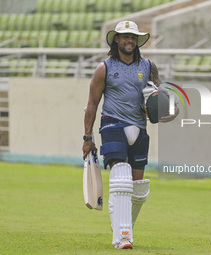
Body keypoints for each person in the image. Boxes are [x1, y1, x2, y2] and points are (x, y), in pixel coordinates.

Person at [82, 20, 178, 249]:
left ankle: (121, 225)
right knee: (121, 176)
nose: (129, 40)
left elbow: (158, 98)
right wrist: (88, 138)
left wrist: (163, 107)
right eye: (125, 36)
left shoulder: (148, 66)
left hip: (139, 129)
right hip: (112, 124)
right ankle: (123, 237)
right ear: (116, 39)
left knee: (138, 189)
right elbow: (92, 105)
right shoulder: (104, 68)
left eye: (133, 37)